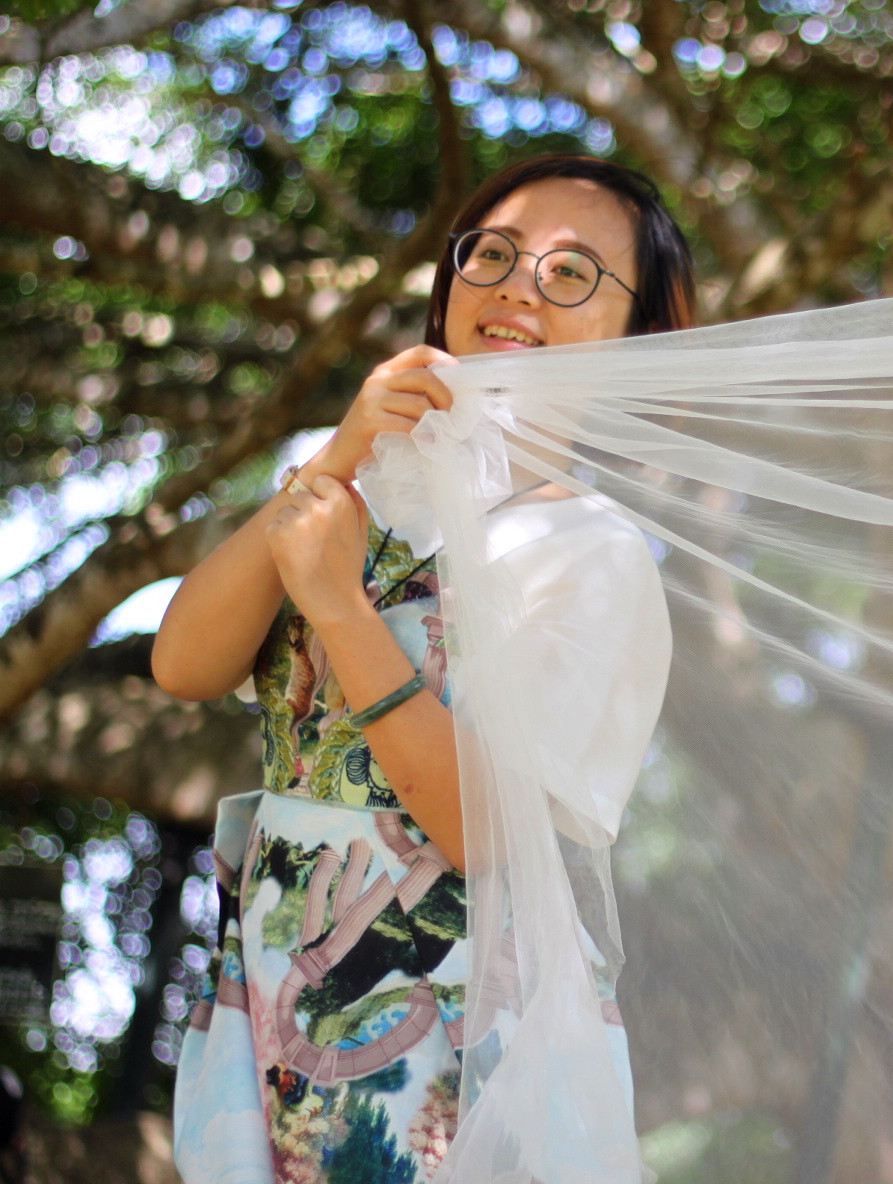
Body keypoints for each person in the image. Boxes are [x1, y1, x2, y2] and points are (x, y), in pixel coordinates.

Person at [153, 155, 694, 1183]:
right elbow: (184, 660)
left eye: (573, 271)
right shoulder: (350, 487)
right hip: (274, 994)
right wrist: (338, 455)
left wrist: (339, 610)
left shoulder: (592, 552)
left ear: (640, 335)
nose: (518, 284)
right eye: (492, 252)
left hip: (449, 1025)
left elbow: (478, 823)